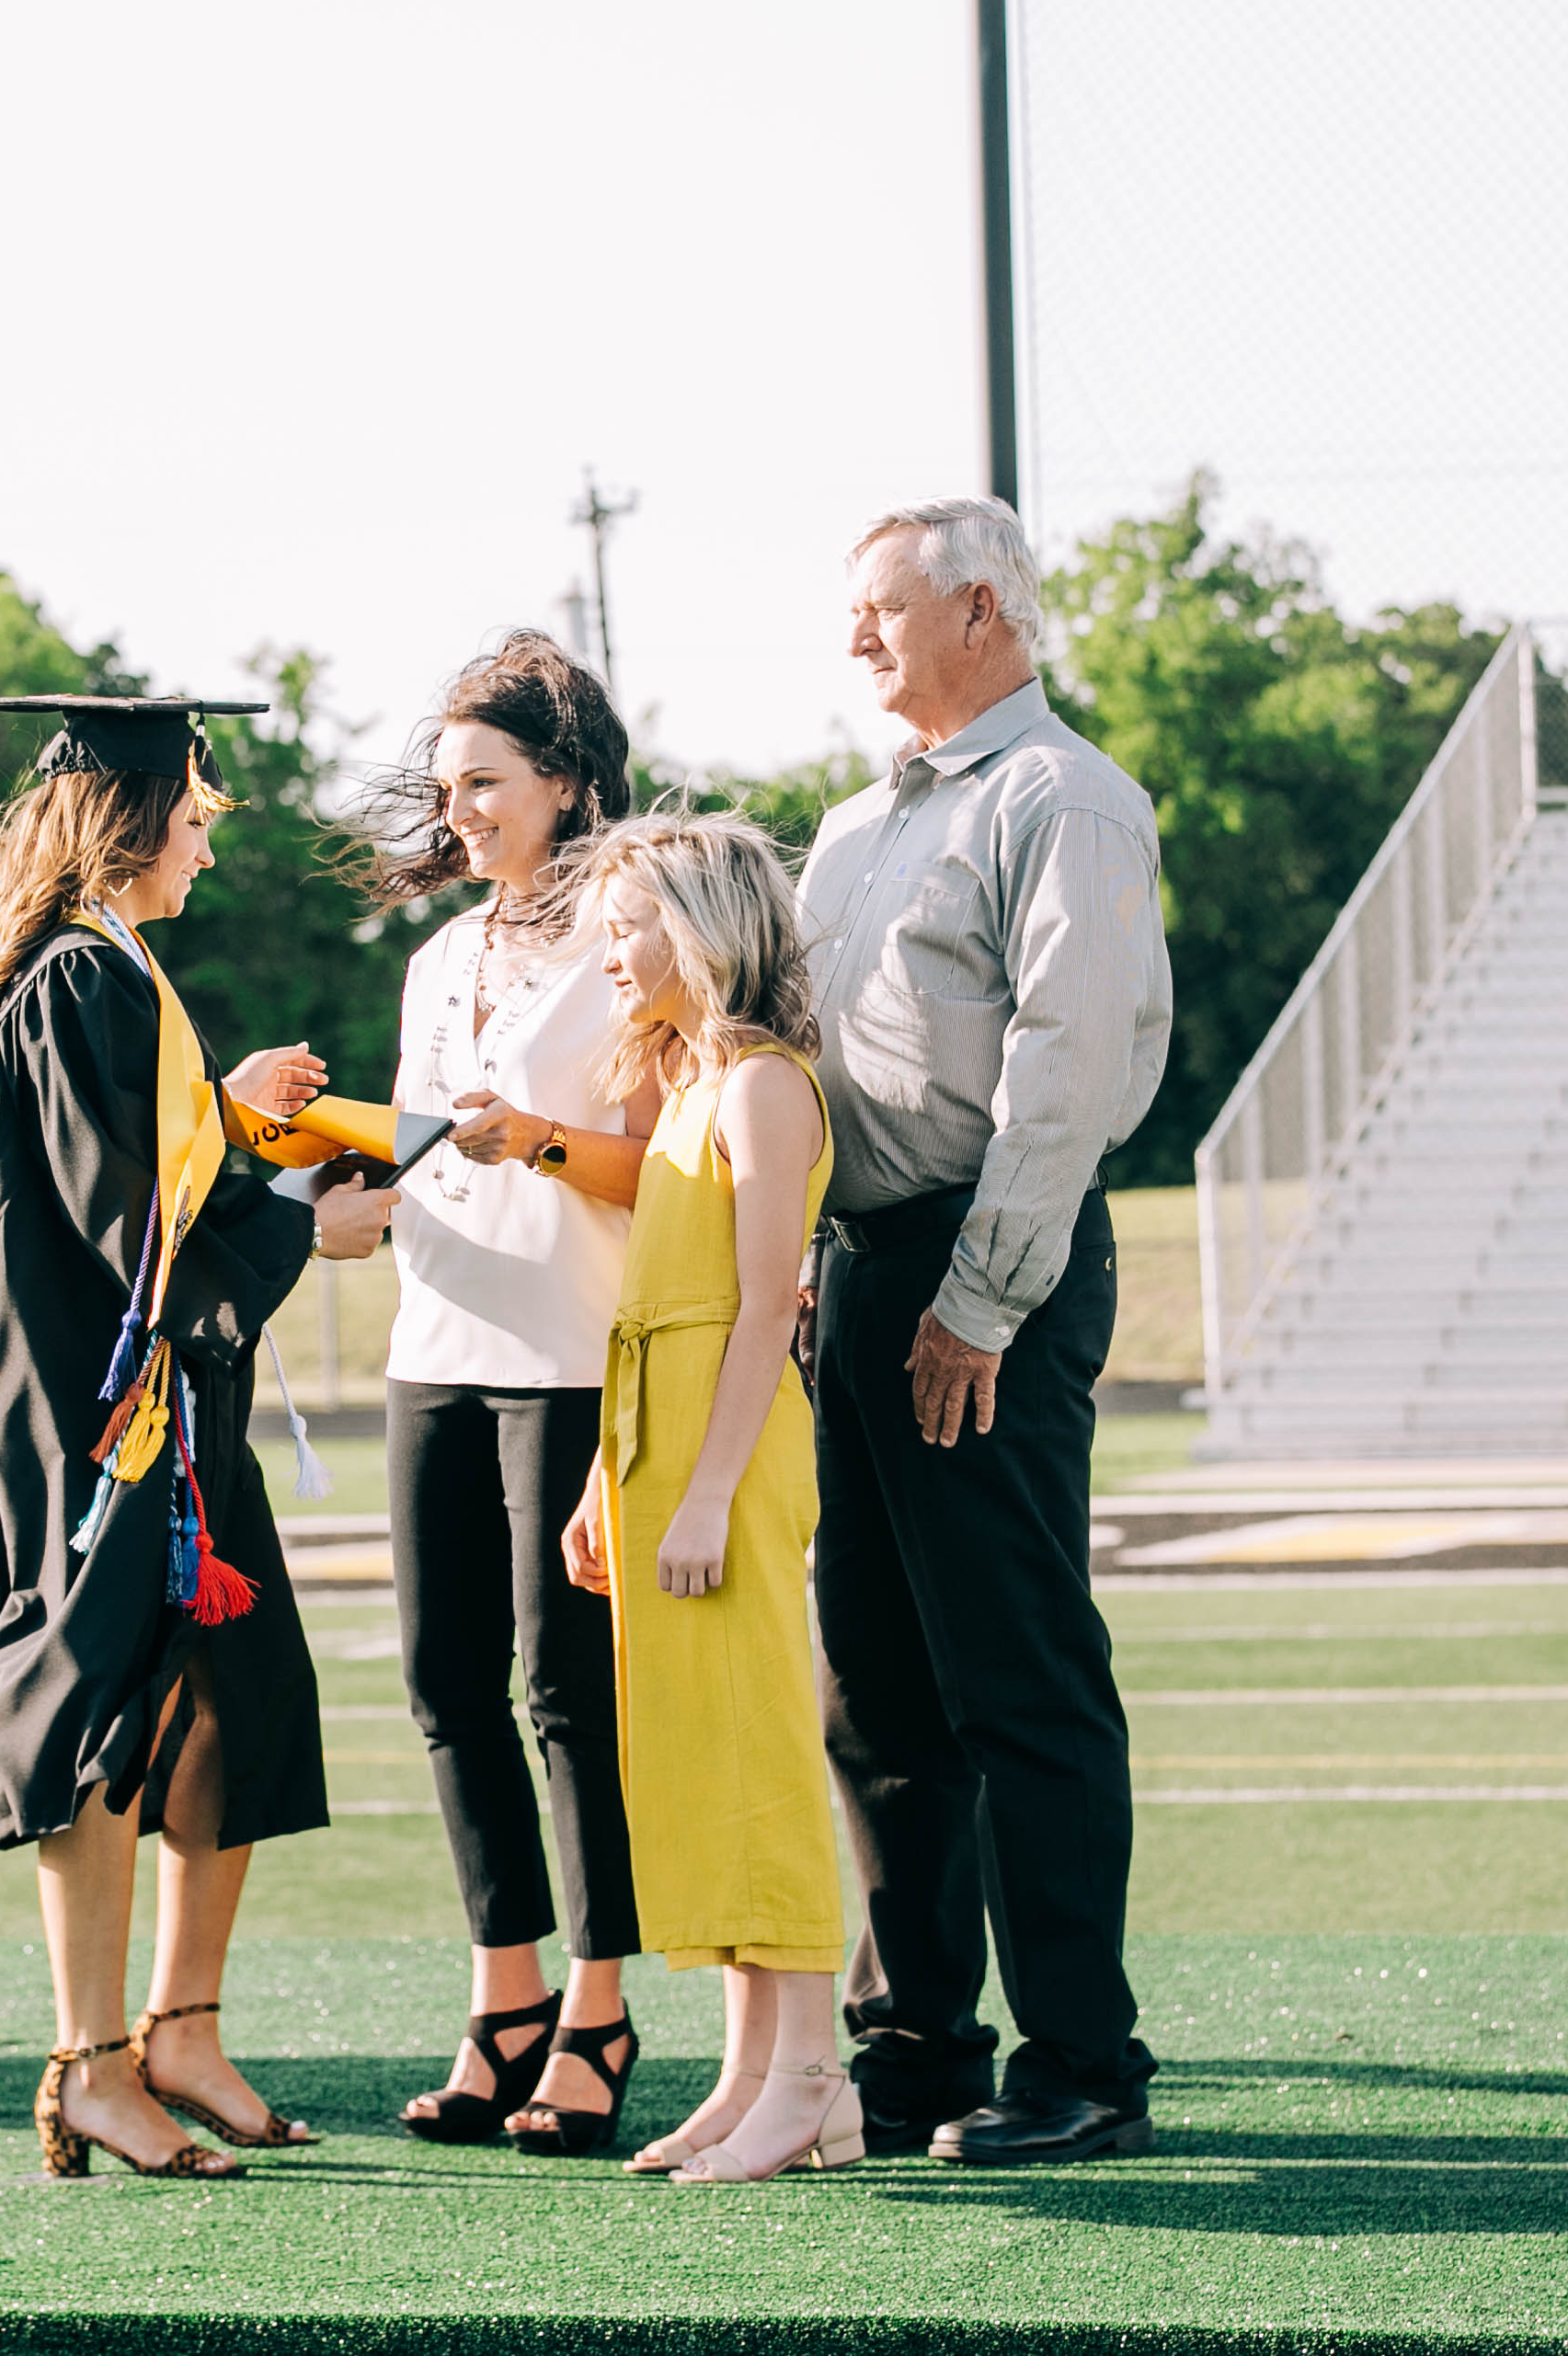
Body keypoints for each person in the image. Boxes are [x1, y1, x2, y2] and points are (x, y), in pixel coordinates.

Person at [0, 697, 389, 2180]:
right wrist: (307, 1216)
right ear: (125, 824)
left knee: (230, 1697)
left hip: (157, 1408)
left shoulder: (99, 974)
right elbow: (131, 1225)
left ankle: (181, 2032)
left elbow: (148, 1162)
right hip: (105, 1416)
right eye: (191, 813)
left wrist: (235, 1123)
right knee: (113, 1706)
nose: (205, 839)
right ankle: (92, 2063)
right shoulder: (76, 983)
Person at [799, 498, 1175, 2167]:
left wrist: (981, 1295)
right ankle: (921, 2046)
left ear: (977, 608)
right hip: (866, 1271)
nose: (856, 637)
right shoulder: (851, 826)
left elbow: (1066, 1066)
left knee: (1017, 1676)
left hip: (980, 1274)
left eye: (881, 609)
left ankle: (1083, 2060)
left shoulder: (1066, 802)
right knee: (875, 1690)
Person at [324, 633, 659, 2155]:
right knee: (445, 1688)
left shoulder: (635, 939)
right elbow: (410, 1150)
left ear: (567, 784)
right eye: (447, 784)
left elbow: (666, 1167)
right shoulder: (436, 959)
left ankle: (600, 2011)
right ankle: (504, 2002)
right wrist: (335, 1174)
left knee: (564, 1694)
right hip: (433, 1350)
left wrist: (532, 1142)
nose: (457, 808)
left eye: (486, 781)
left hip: (571, 1356)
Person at [553, 807, 855, 2186]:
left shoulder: (763, 1089)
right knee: (701, 1761)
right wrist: (611, 1485)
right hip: (658, 1441)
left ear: (703, 928)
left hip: (725, 1450)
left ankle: (813, 2080)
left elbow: (759, 1315)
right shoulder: (687, 1085)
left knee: (761, 1758)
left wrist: (707, 1492)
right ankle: (749, 2077)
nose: (611, 954)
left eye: (630, 927)